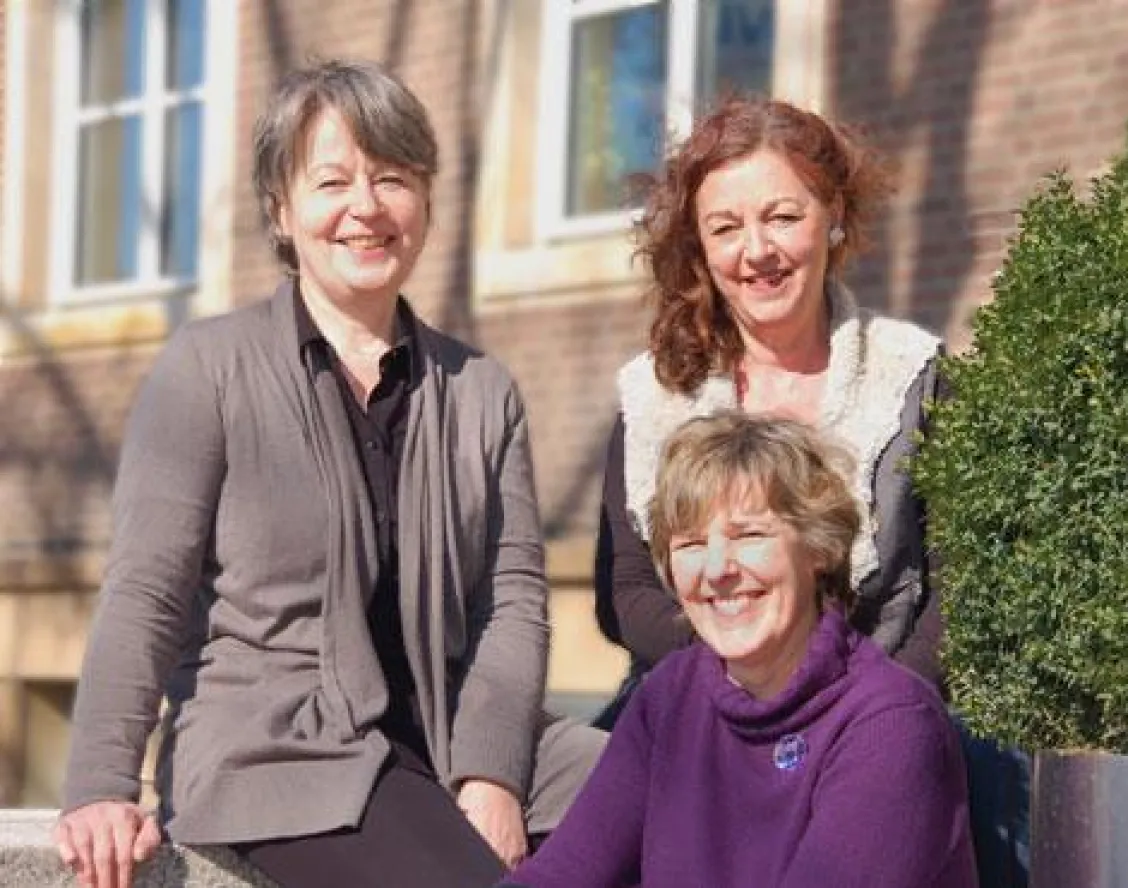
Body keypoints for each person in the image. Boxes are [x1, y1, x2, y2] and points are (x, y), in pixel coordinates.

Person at [53, 59, 603, 888]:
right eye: (332, 181)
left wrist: (492, 771)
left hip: (448, 726)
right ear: (282, 208)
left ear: (424, 200)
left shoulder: (481, 390)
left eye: (392, 177)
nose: (366, 207)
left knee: (695, 798)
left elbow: (514, 601)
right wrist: (99, 783)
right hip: (275, 749)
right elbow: (146, 592)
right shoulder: (208, 368)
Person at [503, 412, 977, 887]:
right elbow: (563, 873)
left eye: (749, 536)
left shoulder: (890, 724)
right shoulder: (670, 695)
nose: (716, 569)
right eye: (689, 544)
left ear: (819, 549)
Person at [593, 96, 944, 725]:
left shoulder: (915, 378)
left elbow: (958, 592)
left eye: (782, 216)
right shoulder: (652, 394)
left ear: (832, 214)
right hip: (696, 713)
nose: (756, 250)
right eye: (725, 228)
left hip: (881, 715)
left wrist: (876, 708)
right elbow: (625, 593)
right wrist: (747, 678)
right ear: (699, 245)